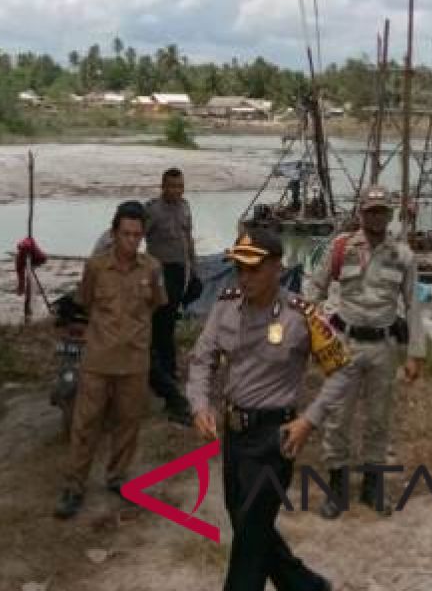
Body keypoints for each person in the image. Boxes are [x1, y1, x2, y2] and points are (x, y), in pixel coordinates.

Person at [187, 227, 357, 591]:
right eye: (239, 269)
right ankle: (305, 586)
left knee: (249, 539)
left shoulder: (303, 315)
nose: (243, 278)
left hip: (274, 440)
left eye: (253, 269)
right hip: (234, 436)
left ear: (277, 268)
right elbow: (202, 359)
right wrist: (200, 405)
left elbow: (343, 371)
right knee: (247, 521)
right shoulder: (225, 305)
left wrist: (309, 421)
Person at [304, 185, 427, 519]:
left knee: (378, 419)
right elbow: (314, 288)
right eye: (370, 211)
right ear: (361, 213)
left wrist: (415, 353)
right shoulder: (341, 247)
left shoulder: (402, 255)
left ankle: (373, 489)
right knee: (337, 417)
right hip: (344, 344)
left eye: (382, 211)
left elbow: (414, 304)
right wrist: (314, 333)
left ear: (389, 215)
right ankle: (337, 489)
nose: (376, 216)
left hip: (384, 348)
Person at [55, 201, 167, 519]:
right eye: (126, 234)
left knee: (128, 423)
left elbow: (157, 304)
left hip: (134, 361)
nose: (132, 240)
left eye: (137, 235)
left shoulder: (152, 269)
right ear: (114, 233)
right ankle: (74, 487)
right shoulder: (95, 267)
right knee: (85, 425)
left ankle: (117, 478)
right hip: (98, 360)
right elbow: (87, 302)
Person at [144, 168, 196, 425]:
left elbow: (188, 238)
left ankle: (166, 369)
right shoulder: (152, 210)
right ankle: (161, 373)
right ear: (162, 186)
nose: (176, 190)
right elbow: (135, 236)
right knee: (159, 323)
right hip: (157, 271)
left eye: (180, 186)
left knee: (169, 322)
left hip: (178, 270)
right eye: (172, 186)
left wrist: (194, 267)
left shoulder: (185, 207)